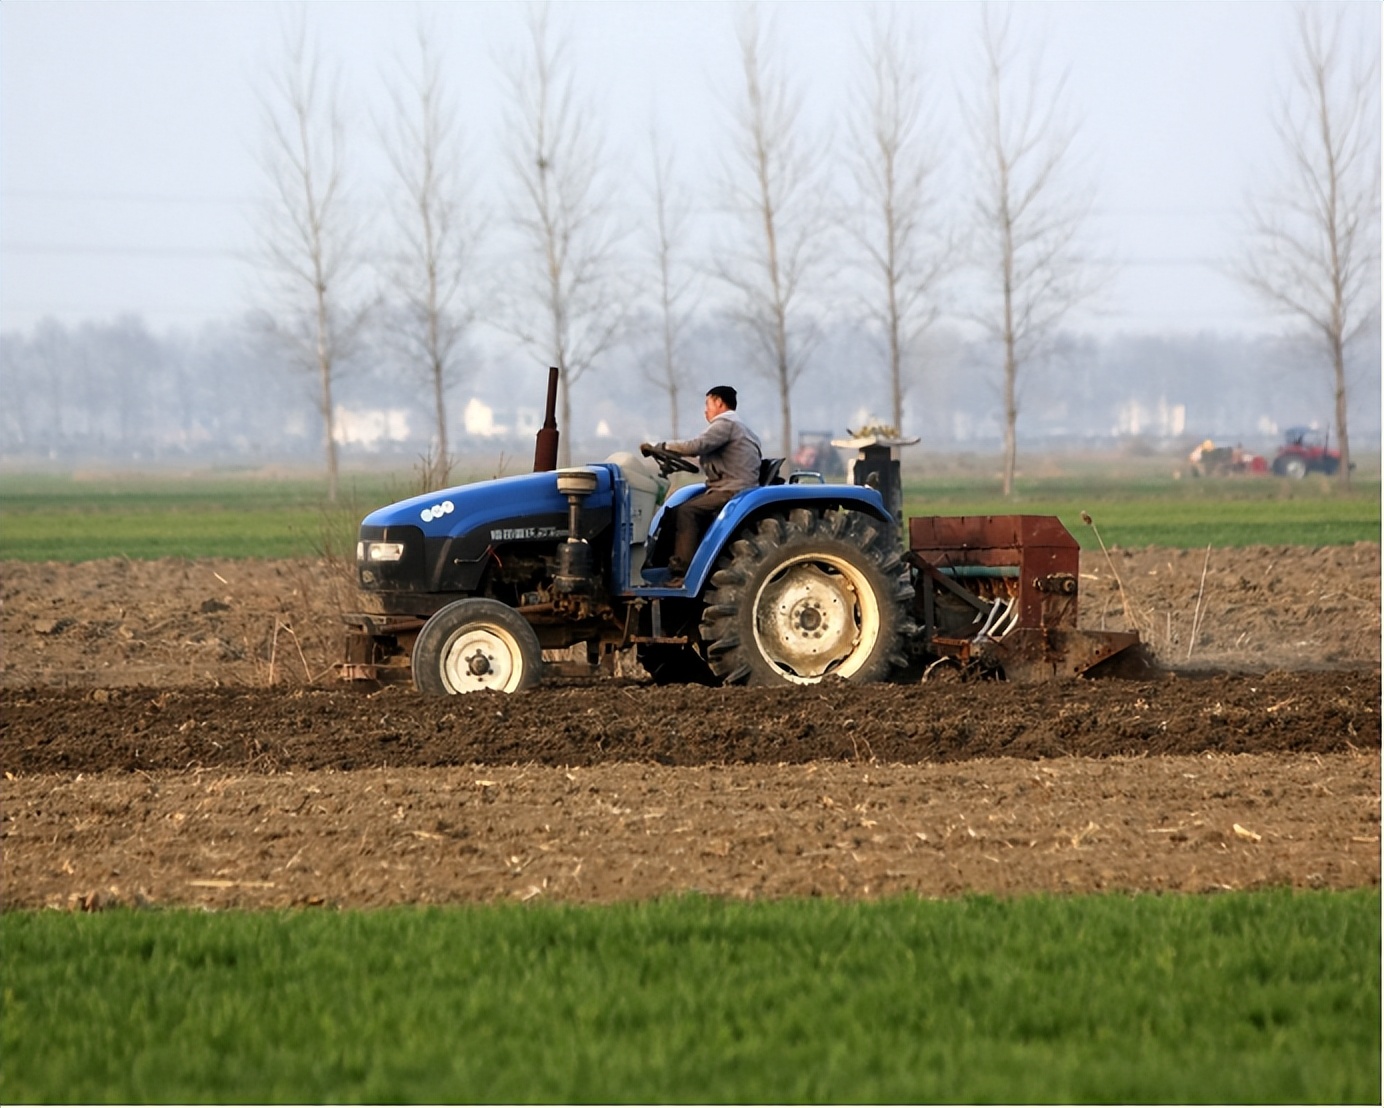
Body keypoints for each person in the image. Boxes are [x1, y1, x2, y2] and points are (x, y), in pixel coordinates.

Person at [641, 385, 763, 584]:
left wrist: (663, 446)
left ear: (718, 402)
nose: (705, 410)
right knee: (673, 511)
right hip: (728, 487)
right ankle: (660, 565)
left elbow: (696, 446)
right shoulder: (740, 428)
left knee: (687, 512)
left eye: (707, 404)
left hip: (733, 490)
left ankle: (682, 573)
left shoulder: (726, 424)